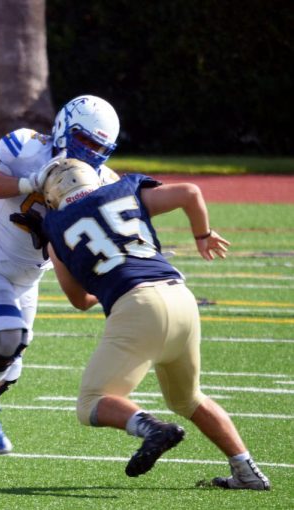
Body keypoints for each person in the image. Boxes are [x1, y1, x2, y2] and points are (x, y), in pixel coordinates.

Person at [40, 159, 271, 490]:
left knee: (91, 401)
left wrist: (104, 285)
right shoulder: (125, 191)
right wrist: (202, 234)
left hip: (137, 308)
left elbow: (80, 300)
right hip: (181, 299)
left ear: (52, 196)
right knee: (187, 399)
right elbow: (190, 192)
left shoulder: (55, 230)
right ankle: (247, 471)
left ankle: (152, 429)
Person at [0, 95, 122, 475]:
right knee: (5, 339)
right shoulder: (28, 145)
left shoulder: (103, 182)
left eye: (100, 148)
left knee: (5, 370)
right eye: (85, 141)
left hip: (27, 278)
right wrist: (30, 181)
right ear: (65, 129)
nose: (91, 153)